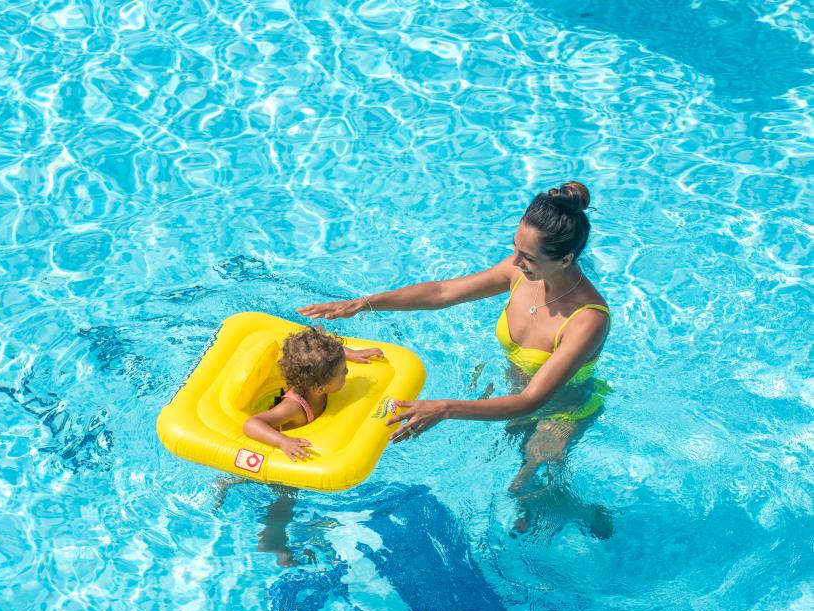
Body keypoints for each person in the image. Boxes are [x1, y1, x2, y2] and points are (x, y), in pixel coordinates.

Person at [298, 181, 612, 536]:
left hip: (560, 411)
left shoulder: (588, 318)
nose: (516, 260)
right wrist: (364, 303)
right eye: (516, 249)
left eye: (529, 258)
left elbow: (532, 400)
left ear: (566, 259)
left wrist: (443, 408)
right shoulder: (518, 271)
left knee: (522, 491)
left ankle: (586, 514)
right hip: (512, 396)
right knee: (506, 466)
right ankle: (544, 505)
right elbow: (444, 292)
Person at [242, 325, 384, 461]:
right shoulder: (293, 407)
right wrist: (283, 441)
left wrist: (351, 354)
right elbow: (252, 424)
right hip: (272, 448)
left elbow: (326, 354)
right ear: (320, 388)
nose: (347, 371)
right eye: (343, 371)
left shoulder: (317, 382)